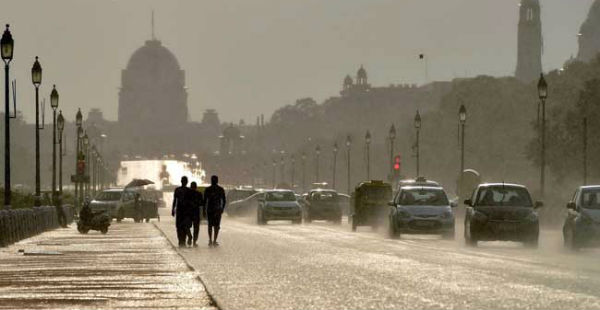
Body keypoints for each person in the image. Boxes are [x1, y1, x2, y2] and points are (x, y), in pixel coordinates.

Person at [203, 175, 226, 247]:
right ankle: (214, 240)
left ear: (211, 180)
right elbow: (224, 200)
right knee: (216, 226)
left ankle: (210, 240)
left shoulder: (208, 189)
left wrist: (204, 210)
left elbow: (205, 201)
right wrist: (222, 208)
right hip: (217, 209)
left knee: (210, 225)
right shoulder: (220, 189)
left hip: (210, 209)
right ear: (217, 181)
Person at [172, 176, 193, 247]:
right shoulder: (189, 191)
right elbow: (191, 202)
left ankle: (181, 240)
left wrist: (173, 209)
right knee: (185, 226)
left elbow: (175, 200)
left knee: (179, 226)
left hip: (180, 210)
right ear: (187, 182)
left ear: (181, 181)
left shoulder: (177, 190)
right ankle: (183, 240)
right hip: (186, 211)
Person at [189, 182, 204, 247]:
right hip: (196, 213)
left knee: (187, 226)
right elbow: (201, 204)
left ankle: (189, 236)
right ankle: (194, 241)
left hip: (188, 213)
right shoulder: (199, 194)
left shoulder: (187, 194)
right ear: (196, 187)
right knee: (196, 228)